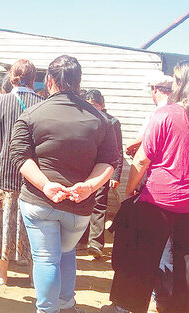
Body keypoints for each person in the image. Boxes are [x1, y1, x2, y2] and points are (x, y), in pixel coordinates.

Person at [10, 55, 118, 313]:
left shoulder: (32, 114)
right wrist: (89, 186)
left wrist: (46, 185)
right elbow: (110, 161)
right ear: (79, 82)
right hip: (79, 207)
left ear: (49, 81)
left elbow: (19, 155)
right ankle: (67, 305)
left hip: (40, 201)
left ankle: (48, 310)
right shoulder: (100, 119)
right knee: (67, 253)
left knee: (47, 259)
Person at [101, 60, 189, 313]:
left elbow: (141, 159)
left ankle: (127, 308)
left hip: (158, 200)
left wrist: (130, 192)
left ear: (180, 84)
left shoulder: (167, 114)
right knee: (184, 263)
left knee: (139, 258)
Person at [0, 59, 42, 285]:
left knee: (4, 224)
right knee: (34, 227)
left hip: (3, 171)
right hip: (33, 175)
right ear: (34, 78)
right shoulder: (42, 103)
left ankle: (2, 273)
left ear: (11, 77)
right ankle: (34, 275)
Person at [77, 89, 123, 258]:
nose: (93, 108)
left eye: (95, 105)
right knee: (80, 202)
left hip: (103, 169)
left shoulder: (112, 122)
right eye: (89, 105)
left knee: (99, 205)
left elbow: (118, 151)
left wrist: (115, 174)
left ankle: (95, 244)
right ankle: (80, 241)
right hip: (83, 168)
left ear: (102, 105)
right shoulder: (82, 119)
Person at [125, 71, 172, 157]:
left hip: (155, 160)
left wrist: (132, 144)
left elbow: (153, 134)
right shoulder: (174, 108)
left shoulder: (162, 110)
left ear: (155, 89)